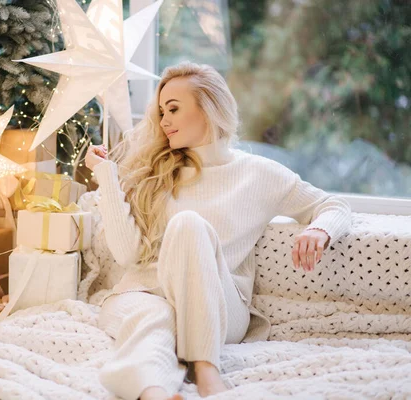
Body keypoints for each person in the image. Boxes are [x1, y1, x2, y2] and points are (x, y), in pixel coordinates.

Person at [84, 62, 351, 400]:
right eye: (162, 110)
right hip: (146, 295)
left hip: (221, 307)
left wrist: (319, 230)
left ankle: (206, 370)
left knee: (188, 224)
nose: (163, 120)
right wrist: (107, 175)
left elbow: (333, 206)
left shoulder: (260, 174)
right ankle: (154, 393)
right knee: (154, 320)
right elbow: (128, 256)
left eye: (174, 109)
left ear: (209, 108)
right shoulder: (156, 173)